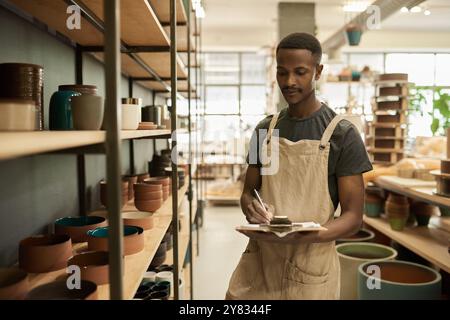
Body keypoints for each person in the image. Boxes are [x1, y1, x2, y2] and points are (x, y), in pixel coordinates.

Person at [226, 32, 373, 300]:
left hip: (311, 265)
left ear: (318, 72)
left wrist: (307, 235)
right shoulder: (264, 130)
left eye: (300, 72)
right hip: (262, 260)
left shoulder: (341, 134)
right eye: (282, 72)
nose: (289, 82)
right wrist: (250, 208)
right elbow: (249, 191)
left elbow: (353, 217)